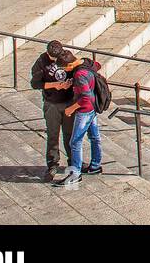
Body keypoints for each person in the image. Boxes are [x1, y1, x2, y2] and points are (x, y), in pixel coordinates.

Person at [52, 49, 102, 188]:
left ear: (69, 66)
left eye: (63, 68)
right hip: (93, 108)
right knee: (95, 137)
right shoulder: (87, 62)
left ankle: (75, 174)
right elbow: (98, 66)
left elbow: (86, 96)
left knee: (75, 142)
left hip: (85, 111)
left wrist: (71, 108)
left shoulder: (80, 74)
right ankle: (95, 166)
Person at [31, 39, 73, 181]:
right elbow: (35, 84)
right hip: (52, 104)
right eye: (53, 58)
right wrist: (55, 85)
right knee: (53, 135)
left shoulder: (65, 56)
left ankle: (73, 162)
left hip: (67, 102)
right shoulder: (41, 62)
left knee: (70, 135)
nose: (56, 60)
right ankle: (52, 164)